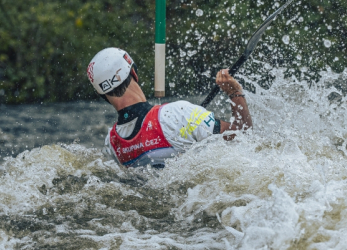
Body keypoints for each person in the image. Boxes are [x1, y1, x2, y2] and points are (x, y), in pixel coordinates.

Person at [86, 47, 252, 168]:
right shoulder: (178, 114)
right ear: (134, 73)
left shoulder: (112, 145)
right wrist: (235, 93)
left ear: (103, 95)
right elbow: (244, 137)